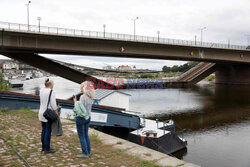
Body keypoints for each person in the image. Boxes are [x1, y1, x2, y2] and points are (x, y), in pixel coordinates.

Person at [73, 81, 95, 158]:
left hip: (81, 118)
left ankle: (84, 153)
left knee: (81, 136)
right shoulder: (90, 97)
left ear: (84, 88)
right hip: (88, 117)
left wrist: (75, 102)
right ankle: (88, 152)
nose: (80, 88)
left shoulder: (83, 97)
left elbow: (79, 110)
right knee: (86, 135)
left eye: (81, 87)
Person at [39, 78, 58, 154]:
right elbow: (53, 104)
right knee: (48, 131)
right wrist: (56, 113)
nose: (53, 85)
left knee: (43, 130)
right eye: (53, 83)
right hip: (48, 113)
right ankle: (47, 149)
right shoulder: (51, 92)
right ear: (50, 84)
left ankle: (43, 147)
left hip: (41, 112)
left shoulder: (41, 90)